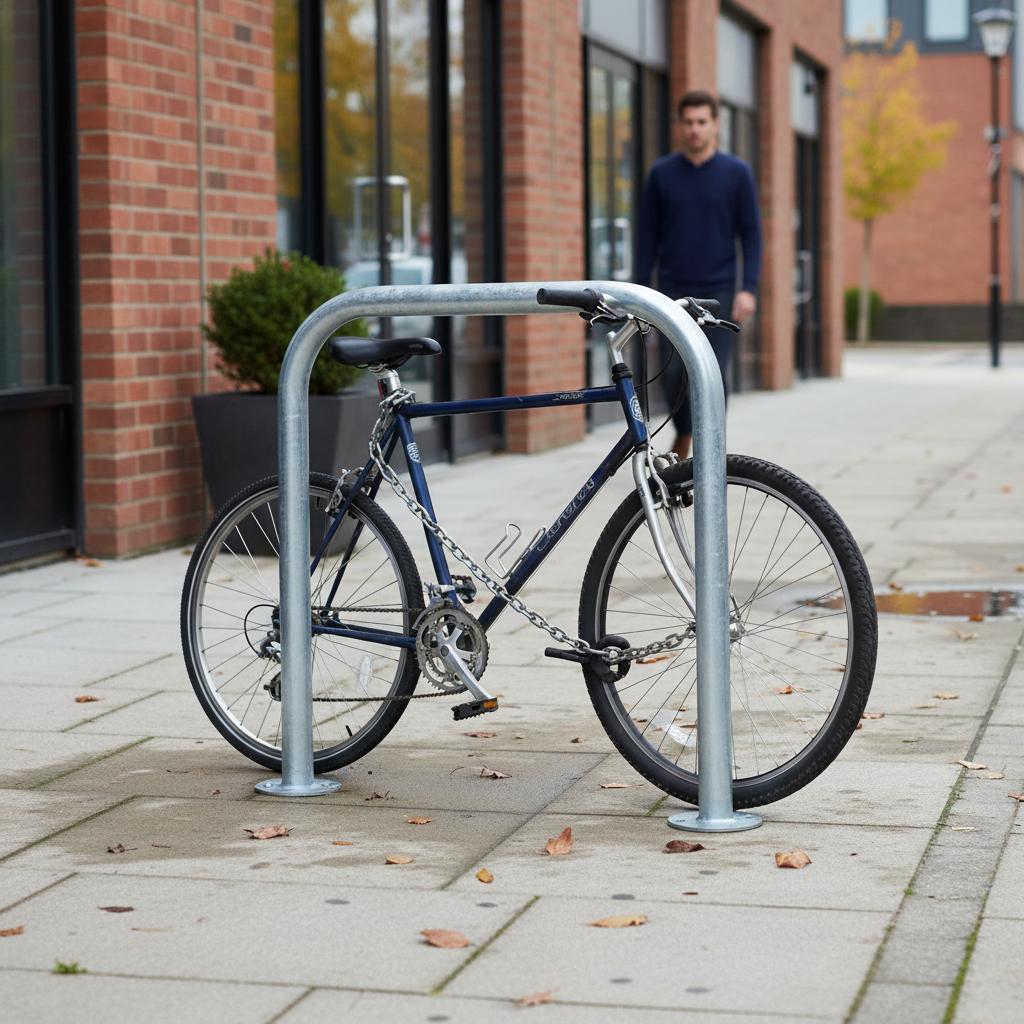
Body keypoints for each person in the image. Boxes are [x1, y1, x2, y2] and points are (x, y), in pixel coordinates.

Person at [635, 90, 763, 459]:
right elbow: (647, 238)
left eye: (701, 122)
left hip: (719, 290)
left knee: (713, 374)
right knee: (672, 374)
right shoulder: (662, 174)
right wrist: (641, 294)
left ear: (715, 125)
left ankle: (710, 452)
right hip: (671, 288)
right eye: (688, 122)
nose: (694, 129)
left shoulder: (737, 174)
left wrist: (748, 288)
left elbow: (752, 234)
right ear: (680, 126)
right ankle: (686, 433)